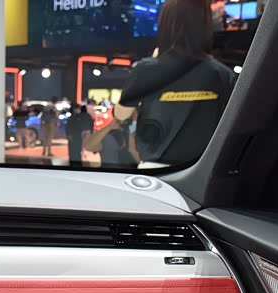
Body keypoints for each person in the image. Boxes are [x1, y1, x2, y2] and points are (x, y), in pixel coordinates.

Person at [85, 0, 235, 168]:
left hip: (155, 171)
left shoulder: (145, 70)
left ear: (166, 24)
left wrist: (155, 62)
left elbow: (121, 114)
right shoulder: (222, 75)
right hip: (204, 170)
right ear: (205, 24)